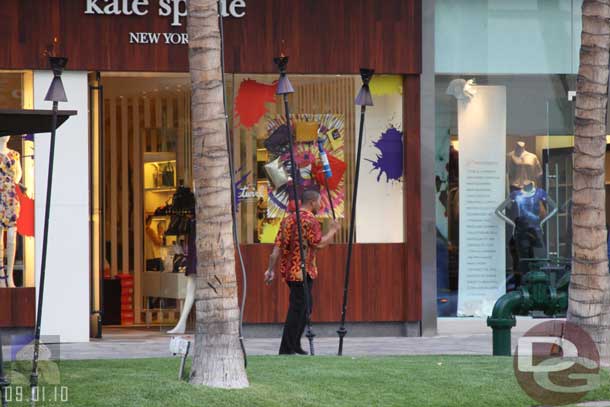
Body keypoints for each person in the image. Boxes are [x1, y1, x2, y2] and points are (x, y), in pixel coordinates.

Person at [264, 190, 341, 355]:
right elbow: (318, 243)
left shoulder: (287, 220)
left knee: (304, 306)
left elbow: (276, 248)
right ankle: (287, 348)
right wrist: (333, 231)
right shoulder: (310, 220)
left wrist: (270, 269)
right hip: (302, 271)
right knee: (299, 308)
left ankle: (294, 343)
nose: (321, 205)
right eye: (320, 202)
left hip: (290, 271)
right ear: (312, 202)